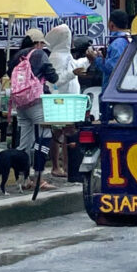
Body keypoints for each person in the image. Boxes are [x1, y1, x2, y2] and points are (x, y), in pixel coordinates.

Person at [9, 29, 59, 189]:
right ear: (38, 43)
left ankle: (23, 179)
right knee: (44, 136)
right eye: (42, 44)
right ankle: (38, 178)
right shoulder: (39, 54)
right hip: (36, 102)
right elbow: (53, 76)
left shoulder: (16, 56)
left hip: (20, 103)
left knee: (24, 142)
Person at [44, 24, 91, 177]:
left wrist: (88, 60)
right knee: (61, 133)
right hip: (60, 101)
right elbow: (55, 81)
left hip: (69, 101)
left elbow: (75, 66)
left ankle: (66, 166)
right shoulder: (56, 57)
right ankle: (59, 166)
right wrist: (73, 73)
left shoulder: (66, 55)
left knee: (65, 132)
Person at [92, 10, 131, 91]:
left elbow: (113, 68)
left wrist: (95, 59)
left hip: (114, 90)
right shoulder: (128, 38)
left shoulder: (118, 43)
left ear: (111, 25)